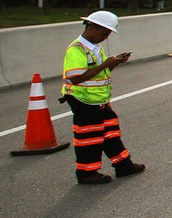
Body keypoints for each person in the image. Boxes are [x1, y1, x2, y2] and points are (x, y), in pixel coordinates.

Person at [61, 11, 145, 185]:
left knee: (110, 132)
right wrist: (106, 63)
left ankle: (123, 165)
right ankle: (86, 173)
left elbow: (98, 74)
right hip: (83, 100)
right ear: (92, 28)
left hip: (98, 100)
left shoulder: (94, 47)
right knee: (89, 138)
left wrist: (113, 63)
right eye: (104, 33)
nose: (105, 38)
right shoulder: (76, 50)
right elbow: (76, 78)